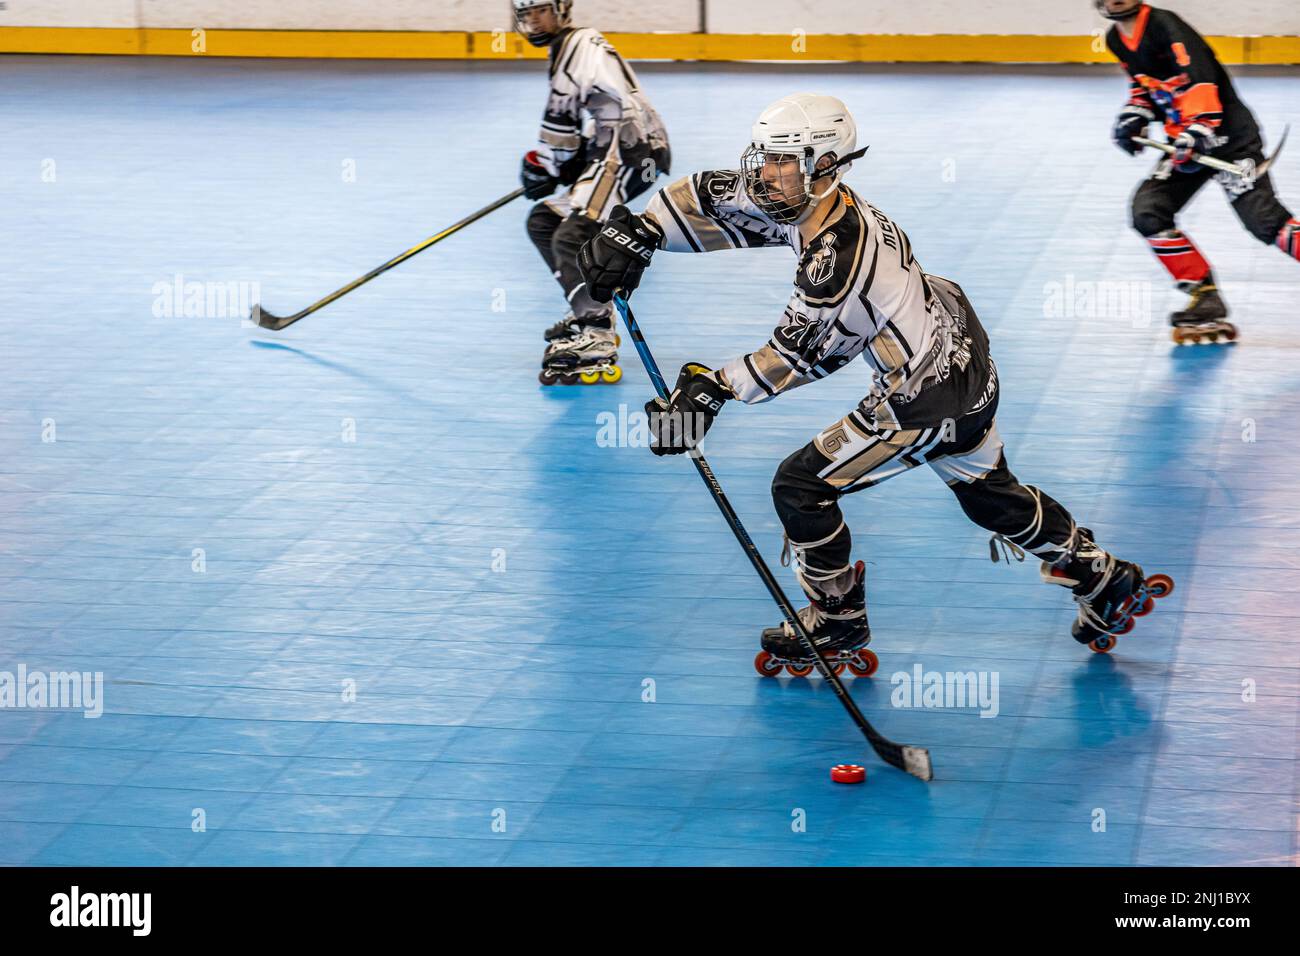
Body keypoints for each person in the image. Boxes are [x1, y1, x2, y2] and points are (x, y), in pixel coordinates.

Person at [578, 93, 1172, 662]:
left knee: (801, 487)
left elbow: (801, 357)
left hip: (927, 393)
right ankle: (1103, 577)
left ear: (826, 165)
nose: (764, 175)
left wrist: (711, 389)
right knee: (986, 494)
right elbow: (710, 193)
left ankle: (837, 620)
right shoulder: (807, 198)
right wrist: (644, 228)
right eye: (764, 157)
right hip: (956, 344)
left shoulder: (837, 261)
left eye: (783, 161)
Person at [1100, 0, 1298, 344]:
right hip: (1187, 149)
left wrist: (1197, 130)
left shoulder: (1166, 26)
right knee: (1148, 212)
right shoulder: (1116, 39)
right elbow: (1145, 88)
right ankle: (1204, 295)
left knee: (1266, 223)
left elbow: (1200, 80)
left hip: (1229, 142)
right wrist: (1135, 117)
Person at [513, 0, 671, 384]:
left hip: (627, 150)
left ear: (562, 9)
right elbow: (603, 106)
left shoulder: (574, 47)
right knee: (545, 221)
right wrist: (569, 158)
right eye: (526, 14)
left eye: (541, 11)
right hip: (620, 147)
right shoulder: (579, 44)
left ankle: (596, 332)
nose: (533, 20)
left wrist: (549, 165)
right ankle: (587, 305)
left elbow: (562, 116)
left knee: (573, 233)